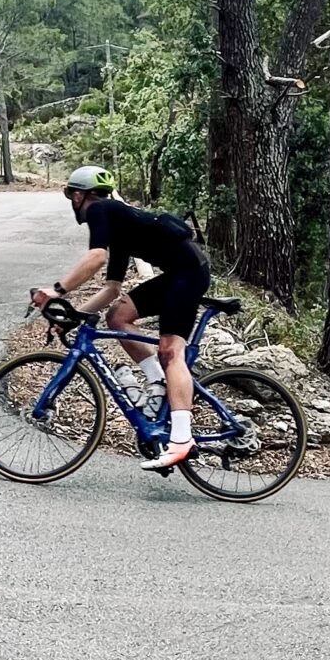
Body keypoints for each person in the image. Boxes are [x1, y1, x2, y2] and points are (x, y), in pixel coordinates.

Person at [29, 165, 207, 471]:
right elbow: (112, 289)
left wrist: (57, 290)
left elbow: (96, 257)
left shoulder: (100, 210)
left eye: (72, 195)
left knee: (170, 351)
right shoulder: (119, 225)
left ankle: (181, 440)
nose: (73, 201)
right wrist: (75, 315)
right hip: (178, 274)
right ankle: (158, 381)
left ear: (79, 196)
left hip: (188, 275)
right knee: (117, 316)